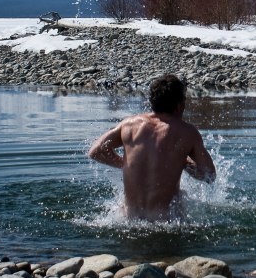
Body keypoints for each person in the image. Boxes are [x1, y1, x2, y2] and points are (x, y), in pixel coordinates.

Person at [88, 74, 216, 220]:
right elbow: (209, 175)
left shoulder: (129, 125)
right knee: (182, 198)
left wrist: (126, 164)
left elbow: (96, 151)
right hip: (166, 223)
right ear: (179, 105)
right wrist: (184, 163)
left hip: (129, 221)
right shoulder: (187, 132)